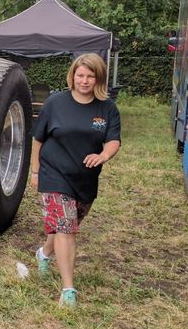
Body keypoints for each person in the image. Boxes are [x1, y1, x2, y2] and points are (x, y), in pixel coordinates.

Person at [30, 53, 121, 307]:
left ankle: (44, 254)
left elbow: (114, 140)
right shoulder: (55, 103)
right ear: (73, 76)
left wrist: (103, 155)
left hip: (85, 180)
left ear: (98, 79)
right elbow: (38, 139)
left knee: (65, 226)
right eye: (80, 75)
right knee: (67, 229)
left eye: (90, 76)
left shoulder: (107, 108)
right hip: (54, 173)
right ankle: (68, 290)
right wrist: (35, 172)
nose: (84, 80)